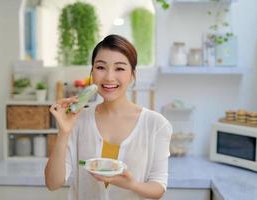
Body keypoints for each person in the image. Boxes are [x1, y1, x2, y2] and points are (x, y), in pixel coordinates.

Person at [45, 34, 172, 200]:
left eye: (119, 68)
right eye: (100, 67)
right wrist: (63, 132)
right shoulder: (79, 119)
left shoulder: (156, 124)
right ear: (92, 72)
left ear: (132, 74)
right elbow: (53, 183)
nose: (109, 77)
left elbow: (159, 187)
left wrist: (130, 184)